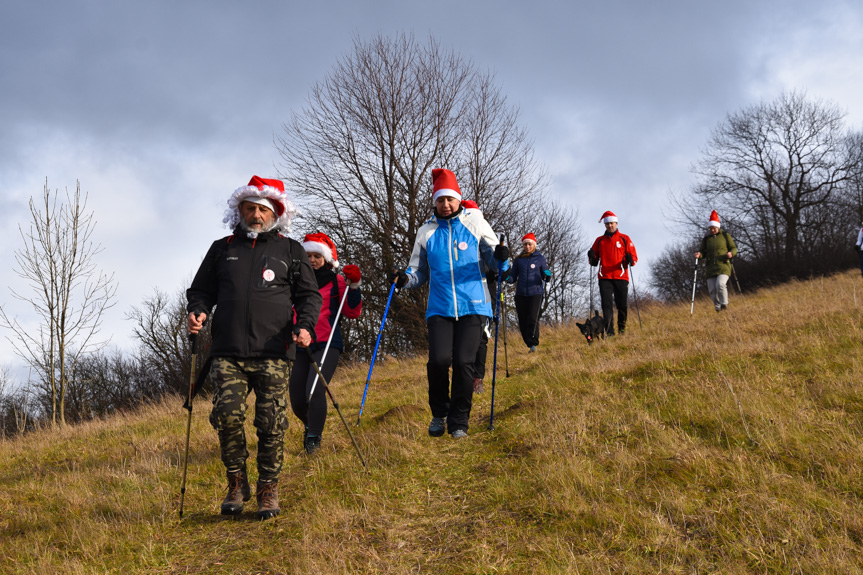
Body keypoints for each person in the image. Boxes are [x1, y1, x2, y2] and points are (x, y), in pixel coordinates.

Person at [186, 175, 322, 520]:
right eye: (250, 208)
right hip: (227, 350)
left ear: (275, 213)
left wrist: (305, 327)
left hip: (274, 350)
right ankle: (236, 484)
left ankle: (268, 489)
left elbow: (309, 296)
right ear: (240, 210)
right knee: (228, 417)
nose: (256, 215)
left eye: (263, 209)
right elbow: (200, 290)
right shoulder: (222, 248)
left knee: (271, 422)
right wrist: (198, 310)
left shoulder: (290, 250)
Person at [389, 169, 509, 439]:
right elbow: (418, 272)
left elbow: (496, 264)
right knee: (439, 361)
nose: (445, 205)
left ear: (458, 200)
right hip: (440, 307)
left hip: (474, 305)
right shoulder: (426, 232)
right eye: (440, 200)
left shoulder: (475, 222)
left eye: (450, 200)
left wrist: (502, 257)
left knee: (465, 362)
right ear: (435, 202)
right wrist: (403, 280)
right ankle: (439, 414)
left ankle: (458, 422)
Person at [288, 232, 362, 455]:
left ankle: (314, 438)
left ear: (327, 258)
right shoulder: (296, 282)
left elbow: (352, 312)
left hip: (327, 343)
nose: (312, 260)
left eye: (317, 256)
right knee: (297, 398)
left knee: (314, 389)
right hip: (300, 344)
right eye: (307, 255)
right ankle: (310, 424)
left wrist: (355, 286)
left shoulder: (337, 281)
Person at [588, 211, 638, 336]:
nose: (610, 226)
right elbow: (593, 261)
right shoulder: (599, 241)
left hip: (621, 276)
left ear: (616, 223)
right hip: (604, 277)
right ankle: (609, 331)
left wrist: (630, 259)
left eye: (612, 223)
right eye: (607, 224)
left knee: (622, 305)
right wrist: (592, 257)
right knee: (606, 305)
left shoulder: (624, 239)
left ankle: (622, 327)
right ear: (605, 225)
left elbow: (633, 257)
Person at [506, 233, 550, 352]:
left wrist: (547, 275)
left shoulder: (540, 258)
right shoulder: (518, 260)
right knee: (523, 320)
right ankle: (528, 343)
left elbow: (545, 272)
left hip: (535, 292)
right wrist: (507, 278)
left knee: (532, 318)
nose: (527, 246)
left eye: (529, 244)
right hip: (521, 294)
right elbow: (513, 277)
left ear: (534, 245)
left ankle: (533, 343)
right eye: (525, 244)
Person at [695, 210, 737, 312]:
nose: (712, 230)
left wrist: (731, 253)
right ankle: (718, 308)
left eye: (714, 228)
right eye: (710, 228)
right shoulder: (706, 239)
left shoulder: (725, 236)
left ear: (718, 227)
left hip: (723, 266)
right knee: (712, 290)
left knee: (720, 284)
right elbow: (702, 251)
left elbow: (733, 248)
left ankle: (724, 304)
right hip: (710, 268)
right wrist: (699, 255)